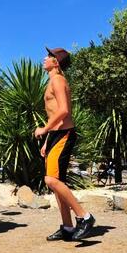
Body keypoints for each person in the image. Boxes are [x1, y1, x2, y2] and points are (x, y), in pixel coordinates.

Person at [36, 47, 95, 241]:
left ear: (56, 62)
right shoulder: (52, 81)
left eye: (50, 56)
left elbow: (63, 111)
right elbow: (54, 113)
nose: (45, 58)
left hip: (63, 134)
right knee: (56, 182)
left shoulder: (59, 80)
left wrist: (44, 129)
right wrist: (47, 140)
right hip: (55, 135)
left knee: (51, 180)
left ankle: (84, 217)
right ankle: (68, 227)